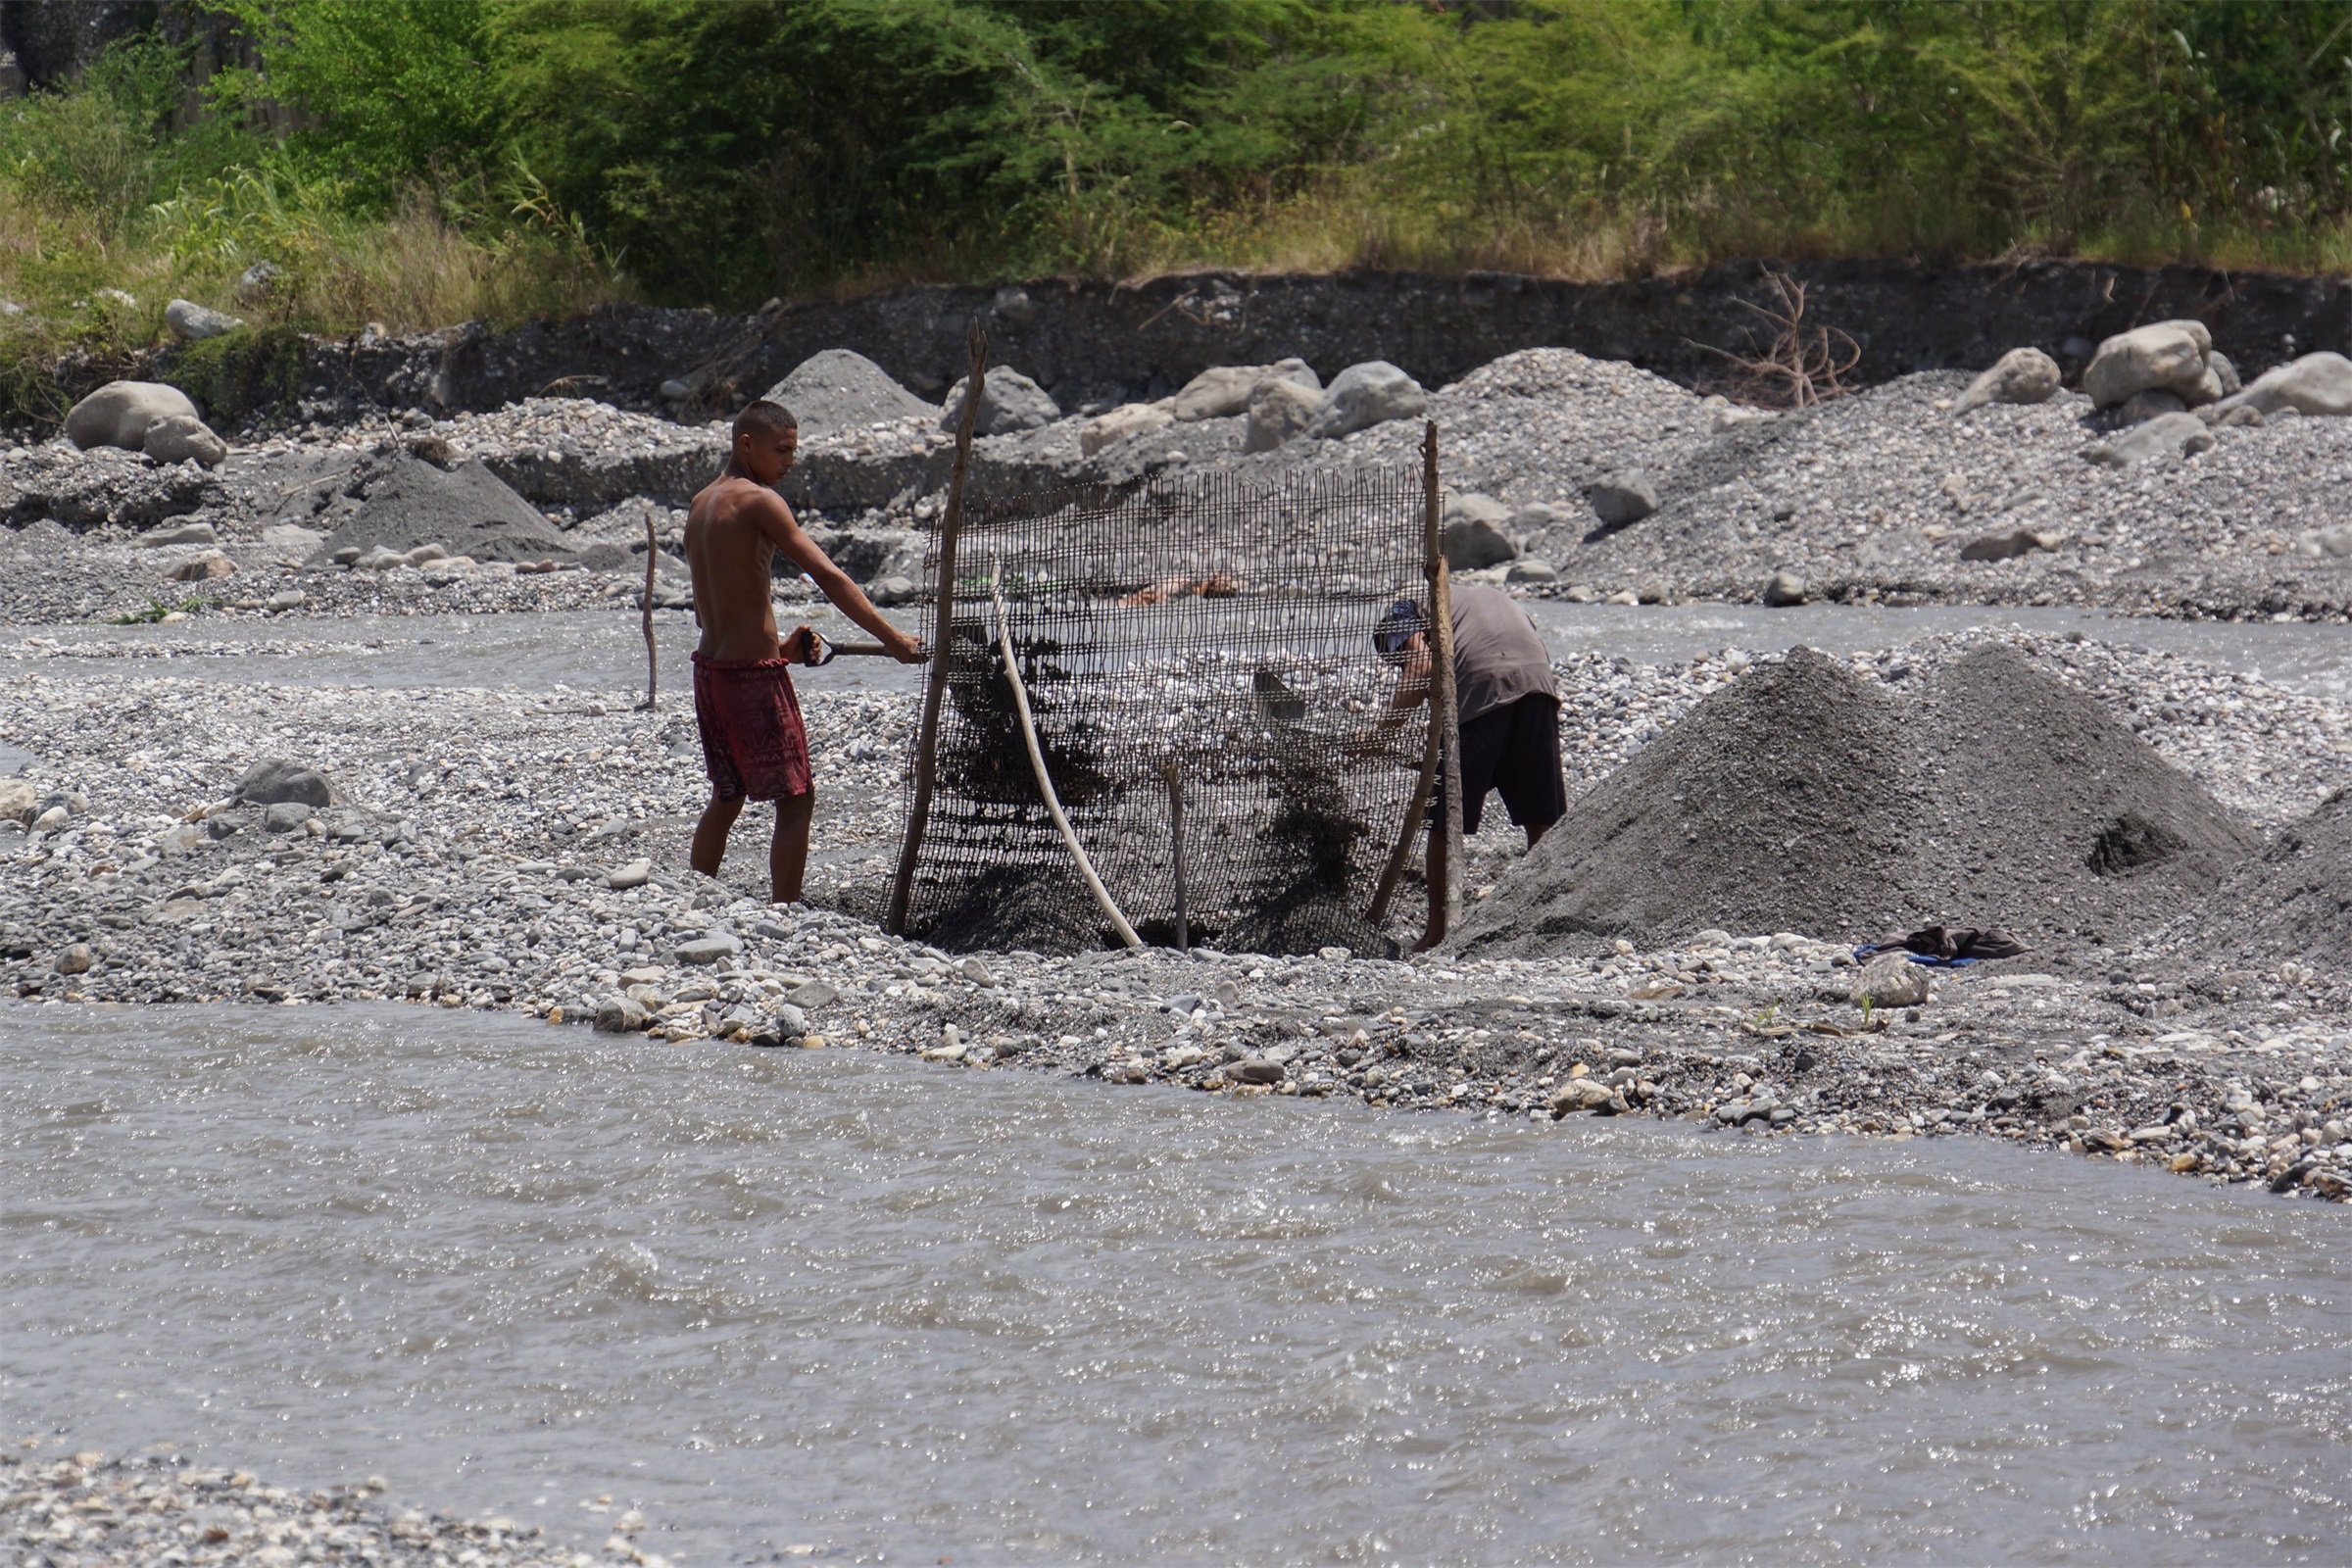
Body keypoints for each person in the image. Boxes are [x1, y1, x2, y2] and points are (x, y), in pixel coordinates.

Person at [682, 399, 925, 902]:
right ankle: (787, 916)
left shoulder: (702, 502)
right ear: (746, 445)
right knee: (796, 800)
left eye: (795, 449)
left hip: (710, 671)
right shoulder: (759, 500)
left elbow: (711, 616)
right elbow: (828, 576)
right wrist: (893, 639)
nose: (791, 460)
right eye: (783, 450)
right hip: (750, 678)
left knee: (728, 796)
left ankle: (692, 898)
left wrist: (784, 651)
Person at [1361, 584, 1565, 951]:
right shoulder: (1482, 599)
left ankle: (1436, 934)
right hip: (1539, 686)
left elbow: (1422, 668)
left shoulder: (1401, 612)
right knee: (1542, 818)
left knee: (1444, 820)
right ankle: (1546, 928)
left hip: (1483, 687)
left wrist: (1380, 737)